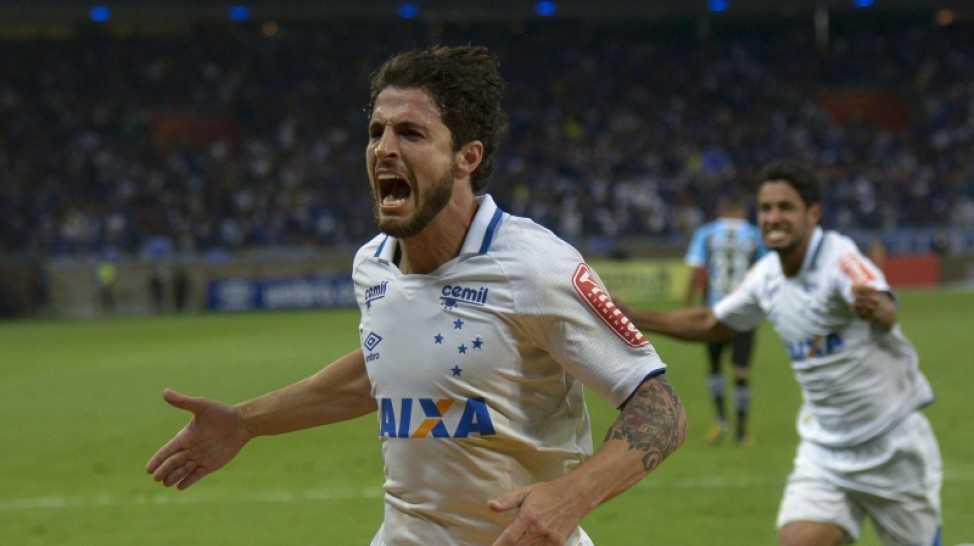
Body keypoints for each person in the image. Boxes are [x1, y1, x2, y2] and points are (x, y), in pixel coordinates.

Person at [146, 45, 687, 546]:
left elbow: (661, 409)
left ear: (466, 157)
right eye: (376, 131)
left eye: (410, 133)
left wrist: (572, 495)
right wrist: (245, 421)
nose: (384, 149)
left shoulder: (534, 266)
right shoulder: (373, 265)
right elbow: (387, 365)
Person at [618, 159, 942, 546]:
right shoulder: (766, 276)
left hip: (892, 445)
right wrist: (634, 317)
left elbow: (882, 304)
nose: (773, 218)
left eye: (785, 207)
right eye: (766, 208)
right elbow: (712, 322)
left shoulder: (839, 258)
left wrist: (878, 308)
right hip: (825, 450)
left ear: (813, 214)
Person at [682, 193, 765, 445]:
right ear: (742, 212)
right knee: (741, 370)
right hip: (744, 311)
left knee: (715, 367)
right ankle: (742, 432)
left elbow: (697, 271)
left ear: (722, 211)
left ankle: (721, 421)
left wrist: (687, 306)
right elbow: (765, 271)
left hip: (714, 311)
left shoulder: (707, 233)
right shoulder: (754, 234)